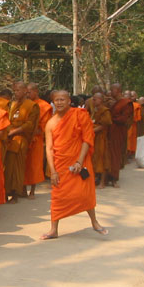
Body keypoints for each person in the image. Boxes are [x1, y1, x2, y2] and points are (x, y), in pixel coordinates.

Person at [41, 91, 108, 240]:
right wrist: (52, 171)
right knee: (57, 196)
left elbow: (87, 139)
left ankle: (95, 222)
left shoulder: (79, 114)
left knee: (85, 193)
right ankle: (54, 229)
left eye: (62, 100)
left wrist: (79, 161)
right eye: (56, 100)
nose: (59, 102)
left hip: (79, 160)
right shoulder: (50, 123)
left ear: (69, 101)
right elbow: (49, 148)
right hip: (60, 164)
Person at [5, 82, 38, 203]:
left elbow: (30, 124)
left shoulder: (32, 106)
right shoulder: (12, 105)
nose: (16, 93)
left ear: (25, 91)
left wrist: (15, 131)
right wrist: (9, 131)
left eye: (18, 90)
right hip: (9, 140)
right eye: (14, 91)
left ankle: (15, 194)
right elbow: (7, 120)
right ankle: (6, 192)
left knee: (17, 168)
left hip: (21, 140)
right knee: (8, 168)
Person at [24, 83, 53, 198]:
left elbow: (46, 125)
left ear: (36, 91)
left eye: (29, 92)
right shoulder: (25, 104)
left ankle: (32, 190)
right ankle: (22, 190)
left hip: (37, 139)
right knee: (23, 164)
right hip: (25, 137)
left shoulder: (44, 106)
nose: (27, 94)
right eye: (26, 92)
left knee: (34, 165)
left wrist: (36, 131)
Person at [106, 84, 133, 187]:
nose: (110, 92)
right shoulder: (113, 102)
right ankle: (106, 176)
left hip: (118, 131)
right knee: (108, 153)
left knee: (115, 154)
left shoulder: (126, 103)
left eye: (112, 90)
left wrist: (111, 119)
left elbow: (124, 119)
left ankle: (114, 178)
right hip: (110, 130)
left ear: (117, 90)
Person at [89, 92, 112, 188]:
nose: (93, 101)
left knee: (102, 159)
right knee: (94, 159)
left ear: (100, 100)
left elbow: (105, 124)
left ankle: (102, 182)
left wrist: (92, 130)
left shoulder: (105, 111)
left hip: (102, 138)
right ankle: (94, 179)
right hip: (94, 138)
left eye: (95, 99)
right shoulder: (95, 110)